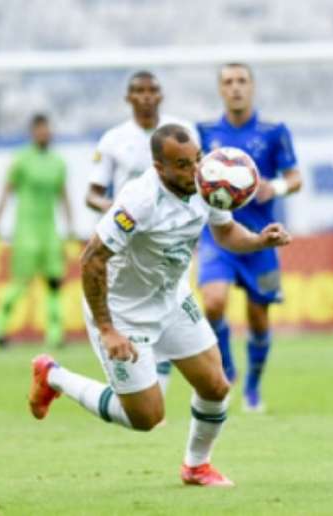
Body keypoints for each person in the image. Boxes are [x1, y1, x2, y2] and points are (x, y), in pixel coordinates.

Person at [27, 124, 292, 486]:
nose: (194, 171)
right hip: (124, 311)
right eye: (182, 165)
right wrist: (108, 329)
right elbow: (91, 258)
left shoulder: (206, 184)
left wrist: (260, 241)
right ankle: (53, 376)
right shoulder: (139, 200)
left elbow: (226, 232)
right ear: (159, 166)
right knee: (146, 417)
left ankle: (196, 466)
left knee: (216, 386)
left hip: (171, 297)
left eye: (196, 160)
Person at [197, 62, 302, 412]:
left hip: (261, 239)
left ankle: (253, 388)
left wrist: (277, 186)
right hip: (217, 236)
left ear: (252, 87)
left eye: (242, 81)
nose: (235, 87)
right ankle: (226, 364)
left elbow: (296, 178)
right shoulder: (204, 133)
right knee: (212, 302)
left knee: (259, 318)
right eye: (228, 81)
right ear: (220, 89)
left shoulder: (274, 132)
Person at [87, 70, 198, 393]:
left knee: (171, 308)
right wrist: (120, 215)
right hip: (127, 246)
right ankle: (147, 390)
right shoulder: (113, 140)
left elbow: (198, 182)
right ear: (129, 98)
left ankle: (161, 389)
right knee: (144, 313)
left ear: (161, 96)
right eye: (139, 90)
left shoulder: (183, 132)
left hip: (172, 239)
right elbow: (92, 193)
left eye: (152, 90)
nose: (146, 96)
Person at [0, 114, 73, 348]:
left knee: (55, 282)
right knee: (20, 282)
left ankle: (55, 335)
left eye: (47, 130)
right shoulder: (21, 159)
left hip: (50, 230)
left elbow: (63, 195)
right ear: (33, 132)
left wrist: (70, 226)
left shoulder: (58, 162)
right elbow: (6, 190)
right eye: (40, 130)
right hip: (25, 229)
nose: (44, 134)